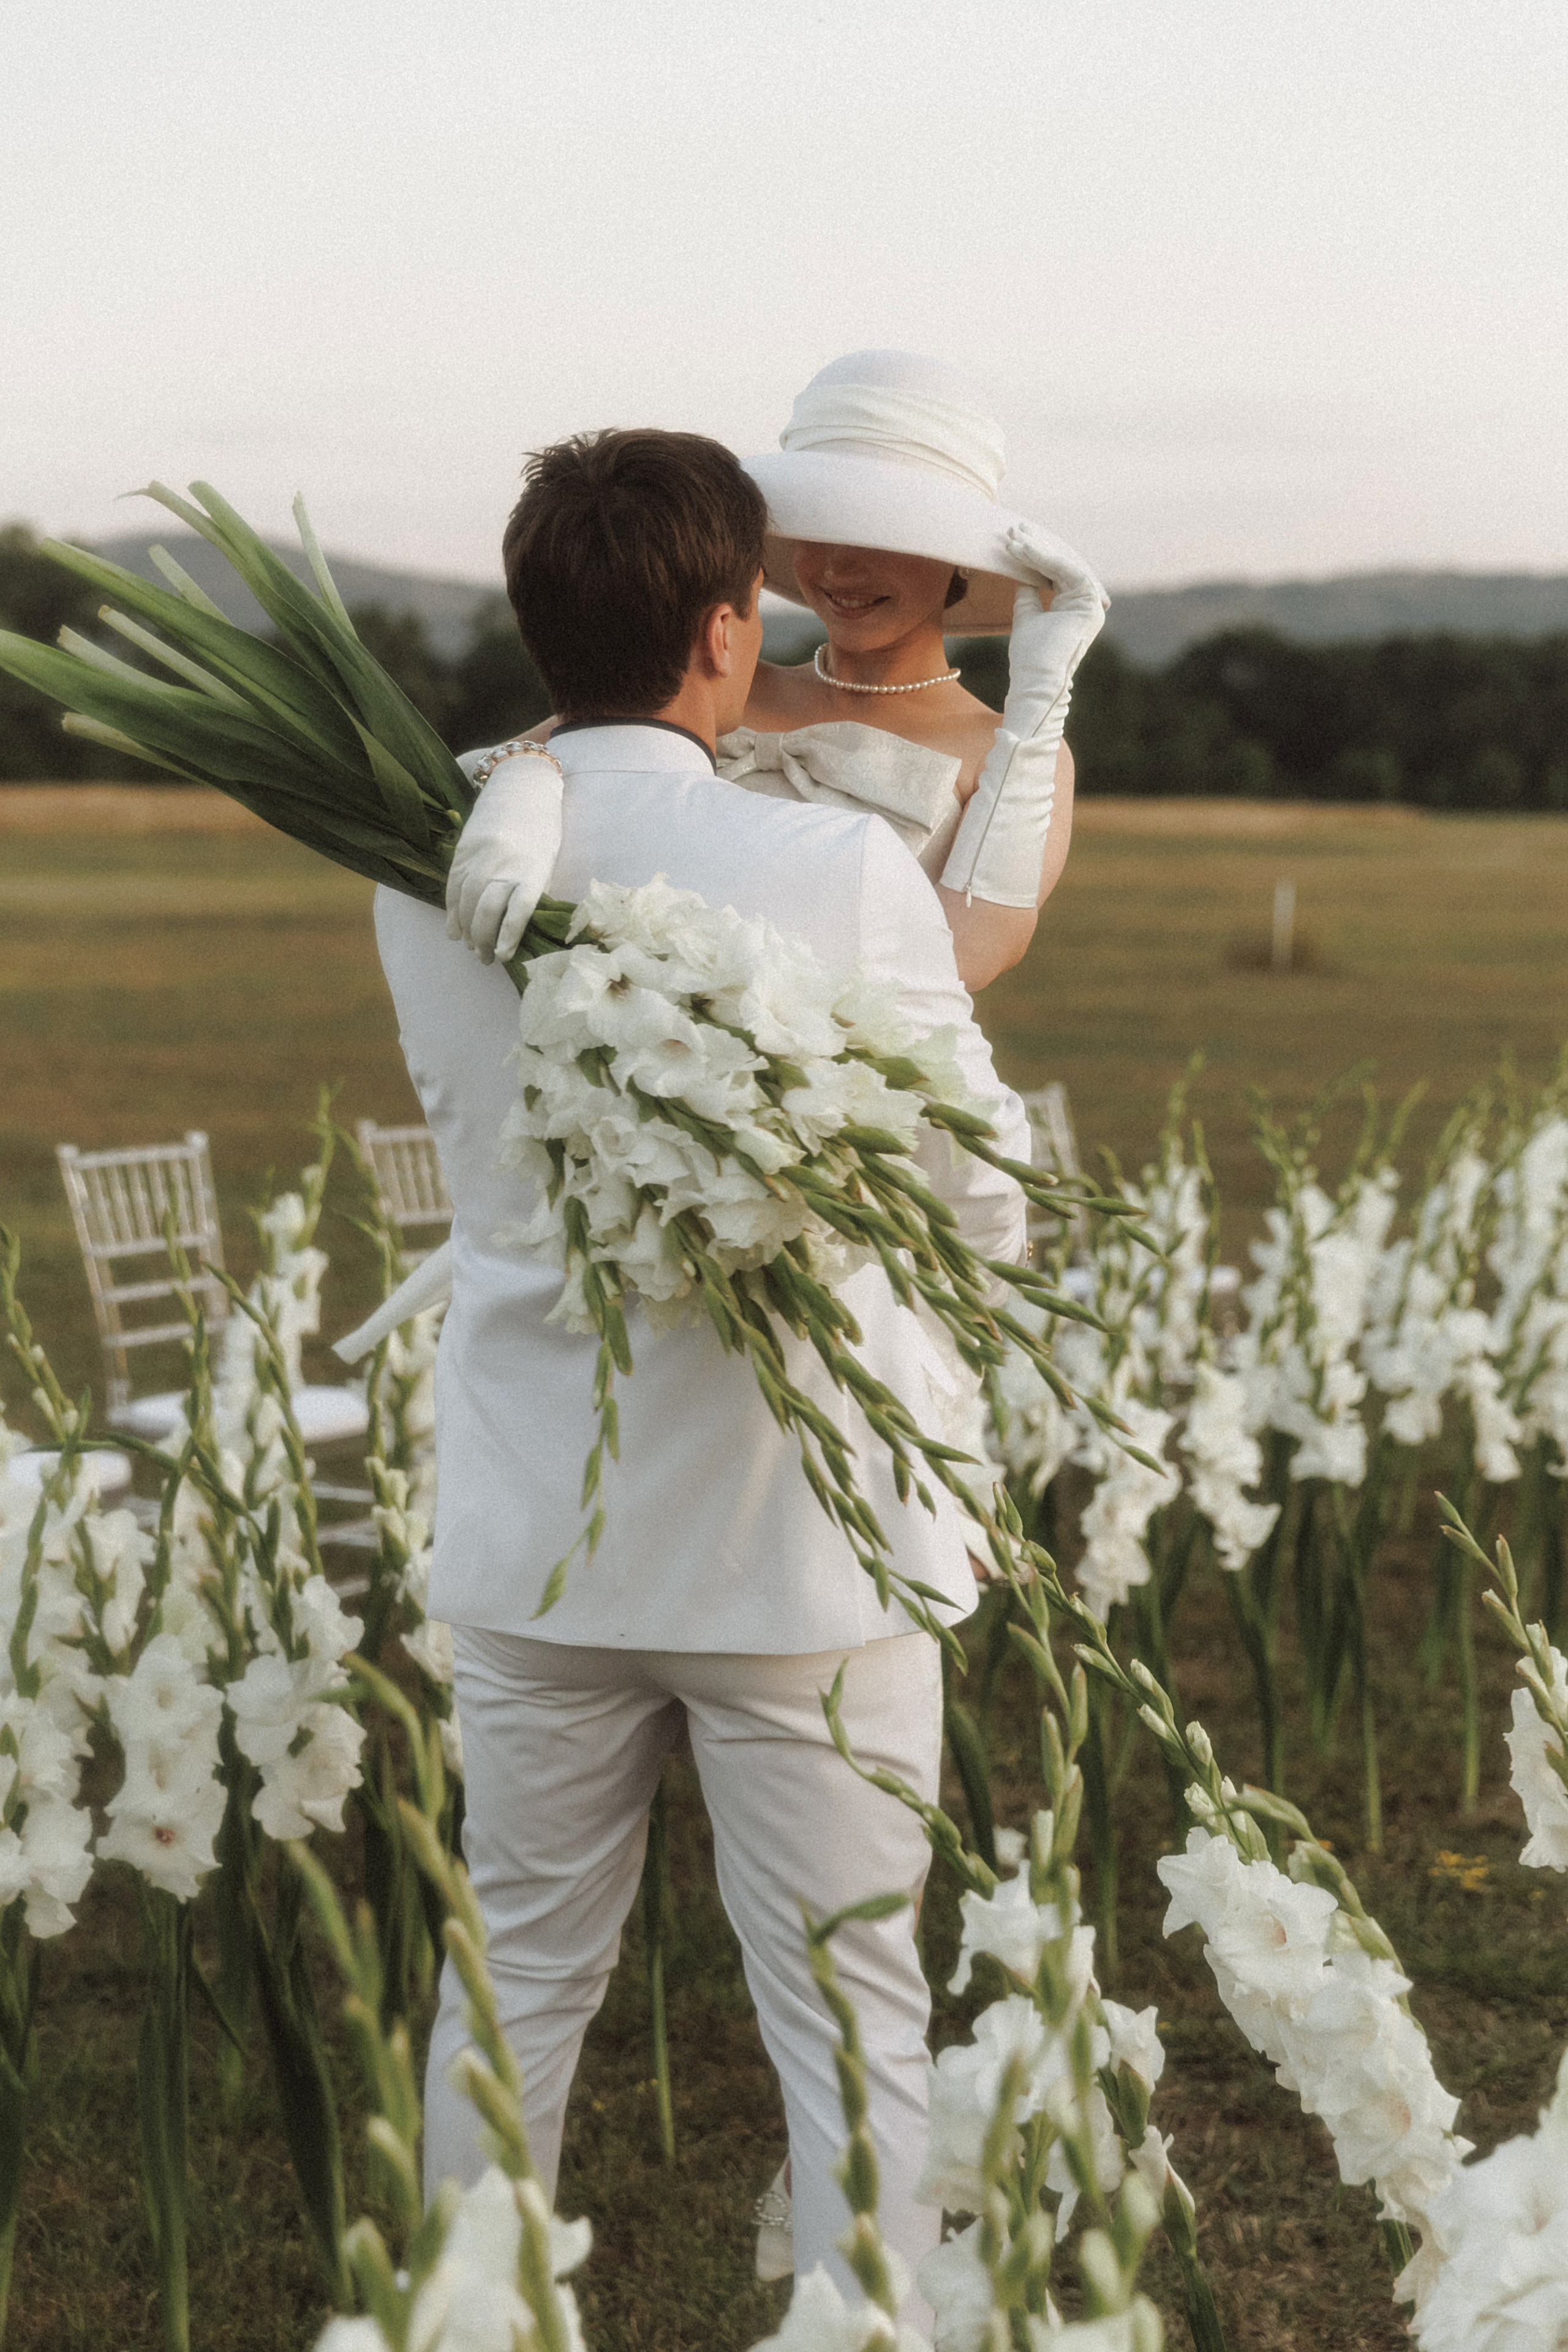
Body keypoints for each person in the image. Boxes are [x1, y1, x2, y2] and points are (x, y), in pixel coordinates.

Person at [372, 427, 1031, 2321]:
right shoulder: (829, 863)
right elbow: (975, 1194)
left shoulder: (421, 859)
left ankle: (465, 2316)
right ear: (731, 627)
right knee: (843, 2006)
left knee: (507, 1985)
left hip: (534, 1529)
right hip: (797, 1546)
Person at [444, 349, 1107, 998]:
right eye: (818, 526)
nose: (840, 569)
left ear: (958, 556)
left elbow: (969, 956)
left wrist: (1039, 702)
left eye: (886, 535)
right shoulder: (719, 680)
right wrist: (523, 783)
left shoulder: (1010, 753)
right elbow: (543, 751)